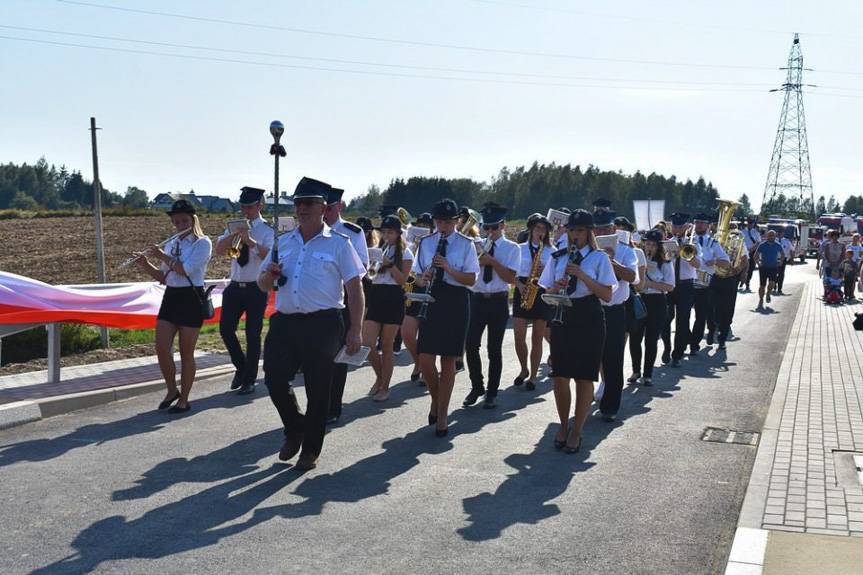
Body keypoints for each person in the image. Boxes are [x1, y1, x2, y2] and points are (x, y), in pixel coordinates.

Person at [258, 177, 364, 471]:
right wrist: (269, 275)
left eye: (309, 203)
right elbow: (262, 283)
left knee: (318, 389)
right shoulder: (282, 242)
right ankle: (295, 428)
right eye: (298, 204)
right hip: (285, 322)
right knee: (274, 379)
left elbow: (355, 289)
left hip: (323, 323)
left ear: (323, 208)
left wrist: (356, 329)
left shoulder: (340, 244)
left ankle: (310, 450)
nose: (302, 209)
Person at [539, 209, 616, 453]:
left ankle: (577, 430)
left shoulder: (599, 258)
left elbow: (607, 295)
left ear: (589, 232)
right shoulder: (558, 256)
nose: (575, 235)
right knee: (560, 376)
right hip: (563, 315)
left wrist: (582, 275)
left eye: (580, 230)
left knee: (584, 377)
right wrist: (556, 287)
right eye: (571, 230)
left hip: (589, 317)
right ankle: (563, 426)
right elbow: (545, 291)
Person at [133, 198, 212, 413]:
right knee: (161, 347)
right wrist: (145, 264)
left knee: (186, 352)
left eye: (184, 221)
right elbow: (163, 277)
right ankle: (171, 389)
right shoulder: (172, 243)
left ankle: (184, 399)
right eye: (176, 222)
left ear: (193, 219)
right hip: (171, 296)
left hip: (191, 298)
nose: (180, 225)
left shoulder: (202, 243)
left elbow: (185, 270)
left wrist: (162, 255)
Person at [412, 198, 480, 436]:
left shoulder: (466, 244)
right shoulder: (426, 242)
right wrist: (423, 278)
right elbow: (416, 276)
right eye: (439, 221)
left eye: (448, 222)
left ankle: (442, 415)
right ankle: (436, 398)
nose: (443, 226)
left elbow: (471, 279)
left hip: (455, 300)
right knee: (425, 358)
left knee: (448, 360)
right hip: (432, 298)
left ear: (457, 221)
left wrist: (449, 268)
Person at [214, 187, 274, 395]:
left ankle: (249, 379)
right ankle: (241, 367)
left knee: (252, 334)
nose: (245, 211)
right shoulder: (235, 226)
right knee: (225, 329)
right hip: (235, 286)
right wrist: (233, 235)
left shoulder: (267, 230)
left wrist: (250, 241)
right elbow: (219, 250)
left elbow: (270, 255)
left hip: (256, 287)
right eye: (243, 207)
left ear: (259, 206)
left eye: (249, 207)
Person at [464, 204, 520, 409]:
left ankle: (492, 392)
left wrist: (492, 262)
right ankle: (477, 386)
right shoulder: (475, 245)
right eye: (486, 227)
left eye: (494, 227)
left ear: (502, 225)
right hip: (477, 299)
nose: (490, 231)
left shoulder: (512, 248)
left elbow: (511, 279)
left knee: (494, 349)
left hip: (498, 300)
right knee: (471, 345)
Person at [323, 187, 369, 424]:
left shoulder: (352, 232)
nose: (326, 213)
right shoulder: (313, 231)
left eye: (330, 208)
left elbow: (362, 266)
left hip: (343, 300)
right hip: (321, 301)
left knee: (339, 357)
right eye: (324, 208)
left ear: (339, 207)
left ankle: (334, 406)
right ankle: (319, 403)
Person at [593, 210, 638, 422]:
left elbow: (632, 277)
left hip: (614, 311)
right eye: (598, 229)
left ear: (613, 229)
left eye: (605, 229)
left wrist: (611, 261)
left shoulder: (626, 251)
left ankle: (610, 406)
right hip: (591, 309)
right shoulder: (588, 251)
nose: (601, 233)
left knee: (613, 359)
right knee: (589, 357)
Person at [363, 215, 413, 401]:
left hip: (393, 297)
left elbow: (402, 280)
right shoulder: (378, 250)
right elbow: (369, 276)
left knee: (386, 344)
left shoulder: (406, 253)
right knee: (367, 343)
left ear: (398, 233)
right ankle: (380, 377)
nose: (386, 236)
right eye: (383, 232)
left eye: (390, 233)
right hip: (377, 295)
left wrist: (389, 264)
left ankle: (385, 387)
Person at [512, 214, 553, 390]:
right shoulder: (519, 248)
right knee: (519, 337)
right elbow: (510, 271)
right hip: (523, 287)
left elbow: (556, 275)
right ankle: (524, 369)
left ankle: (534, 376)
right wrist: (518, 285)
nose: (540, 232)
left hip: (541, 290)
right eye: (537, 228)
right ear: (531, 229)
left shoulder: (551, 250)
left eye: (543, 229)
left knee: (537, 338)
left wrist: (546, 271)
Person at [629, 230, 674, 386]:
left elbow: (670, 286)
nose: (650, 248)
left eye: (653, 245)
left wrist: (649, 283)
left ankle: (647, 374)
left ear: (659, 247)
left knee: (651, 339)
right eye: (648, 244)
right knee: (635, 337)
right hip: (641, 299)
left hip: (657, 301)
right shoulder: (637, 260)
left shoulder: (666, 263)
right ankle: (635, 371)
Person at [661, 214, 703, 368]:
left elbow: (698, 265)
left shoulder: (693, 244)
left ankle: (677, 354)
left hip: (686, 286)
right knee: (665, 319)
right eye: (675, 226)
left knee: (682, 321)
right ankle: (667, 347)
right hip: (669, 285)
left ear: (686, 227)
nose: (677, 229)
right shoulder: (667, 243)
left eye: (680, 226)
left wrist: (687, 254)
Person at [689, 213, 730, 353]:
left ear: (708, 225)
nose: (699, 225)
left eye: (702, 223)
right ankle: (688, 338)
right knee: (683, 316)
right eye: (697, 222)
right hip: (687, 283)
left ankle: (695, 344)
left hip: (704, 285)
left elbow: (726, 263)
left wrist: (715, 261)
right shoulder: (689, 240)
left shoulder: (713, 243)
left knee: (701, 316)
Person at [402, 212, 434, 385]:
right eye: (419, 225)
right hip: (414, 288)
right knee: (407, 333)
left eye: (426, 226)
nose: (422, 229)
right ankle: (418, 362)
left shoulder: (435, 244)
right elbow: (409, 270)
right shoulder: (411, 243)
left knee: (426, 335)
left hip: (432, 289)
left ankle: (426, 369)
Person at [755, 229, 785, 310]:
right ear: (767, 236)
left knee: (772, 283)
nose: (771, 237)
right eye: (770, 235)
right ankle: (761, 299)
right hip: (763, 267)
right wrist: (758, 263)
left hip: (773, 267)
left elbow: (782, 254)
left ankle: (768, 293)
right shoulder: (762, 245)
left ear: (775, 236)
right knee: (762, 285)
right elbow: (756, 255)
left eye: (773, 235)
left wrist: (781, 262)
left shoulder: (778, 245)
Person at [741, 216, 762, 291]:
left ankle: (747, 283)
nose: (750, 224)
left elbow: (758, 242)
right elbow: (740, 241)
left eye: (751, 223)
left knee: (750, 269)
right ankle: (742, 280)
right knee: (742, 267)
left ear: (753, 224)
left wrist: (751, 249)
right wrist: (745, 250)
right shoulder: (742, 232)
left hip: (752, 252)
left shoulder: (756, 232)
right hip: (743, 252)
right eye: (749, 223)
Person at [776, 229, 794, 295]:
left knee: (781, 274)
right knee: (774, 273)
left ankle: (779, 288)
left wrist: (792, 259)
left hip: (783, 259)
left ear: (783, 233)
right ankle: (774, 284)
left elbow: (791, 250)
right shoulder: (774, 240)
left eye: (781, 233)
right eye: (779, 232)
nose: (780, 234)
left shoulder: (786, 241)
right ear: (777, 233)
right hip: (774, 259)